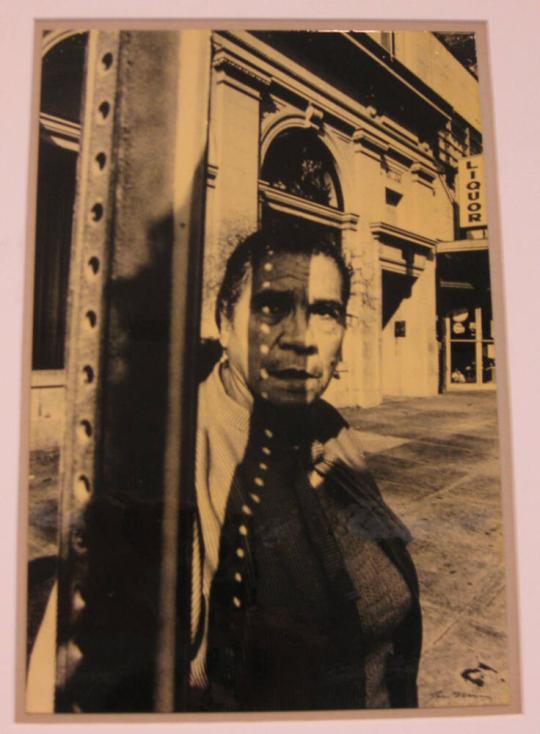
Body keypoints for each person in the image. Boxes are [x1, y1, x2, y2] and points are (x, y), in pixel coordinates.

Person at [189, 226, 421, 711]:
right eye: (271, 307)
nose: (302, 340)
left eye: (325, 312)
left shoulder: (326, 426)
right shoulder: (175, 459)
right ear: (224, 321)